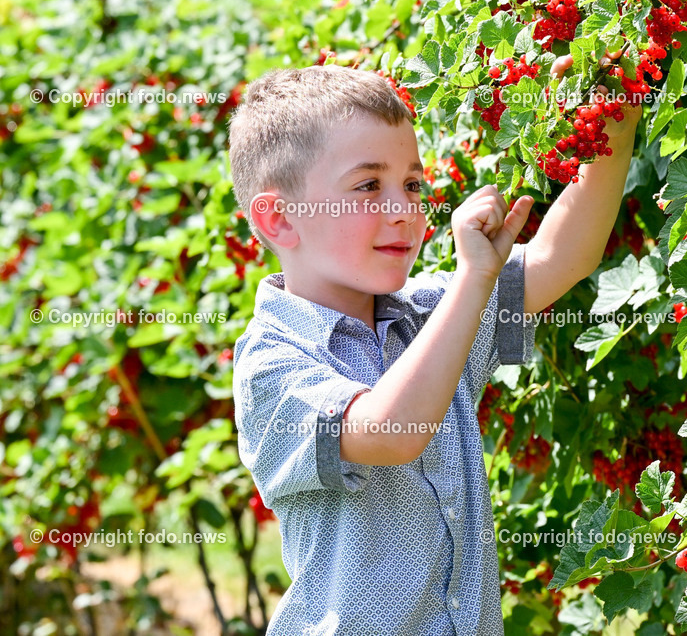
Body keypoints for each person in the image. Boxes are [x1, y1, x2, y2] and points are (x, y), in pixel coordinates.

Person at [228, 59, 639, 635]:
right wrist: (474, 279)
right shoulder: (271, 365)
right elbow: (388, 430)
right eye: (369, 185)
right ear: (279, 220)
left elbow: (558, 260)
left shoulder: (428, 313)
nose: (404, 209)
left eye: (413, 184)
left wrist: (612, 134)